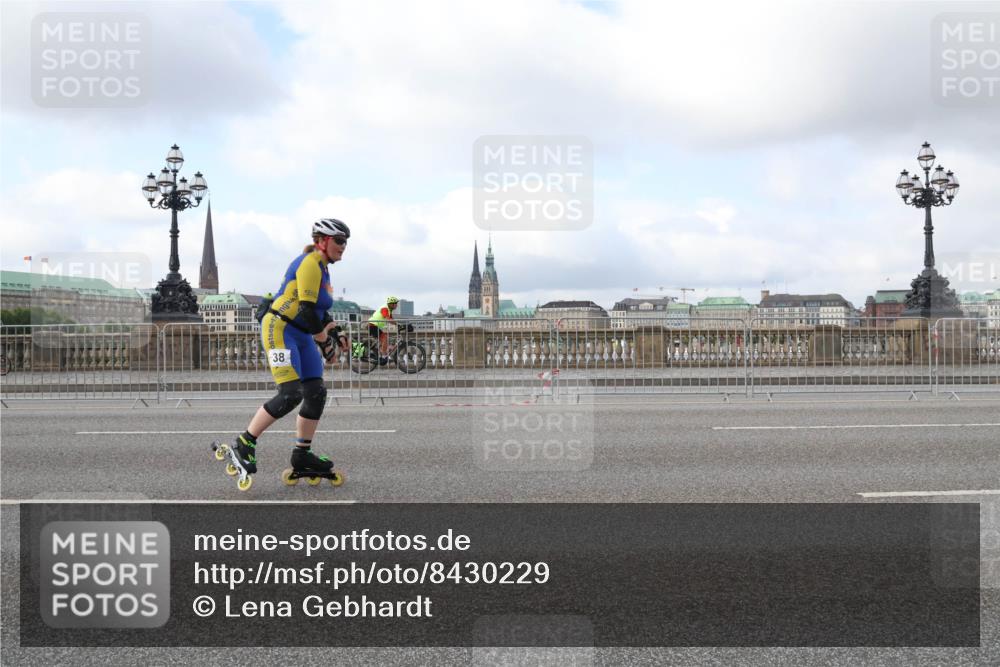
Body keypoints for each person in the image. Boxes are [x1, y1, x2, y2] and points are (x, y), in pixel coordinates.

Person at [222, 218, 351, 490]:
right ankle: (245, 442)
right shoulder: (310, 263)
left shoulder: (324, 270)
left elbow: (319, 311)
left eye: (346, 241)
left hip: (302, 334)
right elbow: (305, 308)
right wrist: (325, 342)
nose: (344, 246)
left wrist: (335, 333)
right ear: (322, 241)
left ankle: (301, 454)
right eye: (339, 240)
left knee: (316, 391)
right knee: (291, 393)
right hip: (281, 329)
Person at [368, 296, 400, 365]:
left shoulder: (389, 310)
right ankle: (383, 356)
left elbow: (391, 319)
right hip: (372, 325)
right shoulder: (385, 308)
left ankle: (376, 352)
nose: (397, 305)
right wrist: (398, 324)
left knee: (384, 339)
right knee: (385, 338)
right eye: (396, 304)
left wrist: (398, 325)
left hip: (375, 326)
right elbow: (388, 319)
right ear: (392, 304)